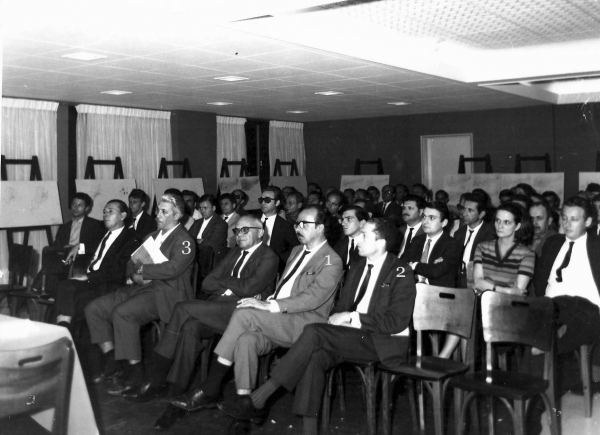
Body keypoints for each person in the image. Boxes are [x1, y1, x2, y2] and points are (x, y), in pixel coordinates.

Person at [217, 218, 417, 434]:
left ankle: (261, 396)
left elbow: (396, 321)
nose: (357, 239)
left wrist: (352, 317)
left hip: (381, 341)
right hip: (350, 336)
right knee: (314, 356)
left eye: (364, 236)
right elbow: (340, 306)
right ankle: (308, 430)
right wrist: (337, 316)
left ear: (381, 242)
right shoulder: (358, 266)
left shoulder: (401, 271)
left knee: (313, 331)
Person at [168, 205, 344, 413]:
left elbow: (312, 299)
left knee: (243, 314)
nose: (298, 227)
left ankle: (210, 388)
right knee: (246, 339)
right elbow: (284, 288)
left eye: (304, 224)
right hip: (280, 318)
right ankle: (245, 405)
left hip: (304, 323)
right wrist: (269, 300)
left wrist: (269, 305)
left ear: (321, 227)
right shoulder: (297, 251)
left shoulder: (332, 260)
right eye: (297, 223)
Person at [120, 215, 279, 430]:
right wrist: (232, 285)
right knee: (189, 328)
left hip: (243, 313)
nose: (239, 235)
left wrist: (225, 283)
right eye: (237, 231)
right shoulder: (234, 253)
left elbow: (249, 288)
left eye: (245, 230)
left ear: (260, 232)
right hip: (218, 310)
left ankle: (157, 377)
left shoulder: (268, 256)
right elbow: (207, 283)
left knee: (182, 308)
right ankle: (175, 400)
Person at [84, 193, 196, 390]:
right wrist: (135, 275)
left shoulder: (184, 240)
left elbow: (173, 268)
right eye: (158, 211)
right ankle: (114, 363)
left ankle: (135, 373)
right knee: (94, 309)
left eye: (164, 212)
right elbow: (131, 261)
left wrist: (143, 270)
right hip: (138, 287)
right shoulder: (151, 236)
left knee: (123, 314)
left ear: (177, 215)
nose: (158, 215)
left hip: (164, 293)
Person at [54, 200, 140, 329]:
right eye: (104, 212)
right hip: (92, 282)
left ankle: (63, 330)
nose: (105, 214)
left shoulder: (131, 239)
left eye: (110, 211)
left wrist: (88, 277)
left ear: (123, 216)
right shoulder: (102, 232)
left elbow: (120, 270)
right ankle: (63, 330)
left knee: (69, 293)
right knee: (64, 286)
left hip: (108, 284)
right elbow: (93, 246)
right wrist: (79, 246)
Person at [533, 196, 600, 354]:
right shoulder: (553, 243)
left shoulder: (597, 246)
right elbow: (540, 279)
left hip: (587, 310)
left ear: (588, 222)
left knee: (586, 316)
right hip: (553, 306)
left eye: (574, 219)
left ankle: (551, 343)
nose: (567, 224)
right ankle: (552, 342)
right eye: (564, 218)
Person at [32, 192, 105, 292]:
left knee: (55, 266)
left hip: (83, 257)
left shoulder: (95, 225)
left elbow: (97, 246)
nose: (76, 208)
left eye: (80, 205)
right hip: (64, 255)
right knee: (51, 262)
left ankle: (37, 288)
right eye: (74, 204)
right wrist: (65, 249)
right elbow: (57, 245)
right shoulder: (64, 226)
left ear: (87, 208)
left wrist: (77, 247)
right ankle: (41, 290)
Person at [473, 203, 535, 296]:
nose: (500, 226)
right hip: (483, 300)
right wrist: (506, 290)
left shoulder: (527, 254)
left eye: (506, 222)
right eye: (497, 221)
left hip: (509, 303)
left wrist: (487, 286)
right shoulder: (482, 247)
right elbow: (478, 282)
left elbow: (518, 291)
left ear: (517, 226)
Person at [453, 193, 495, 288]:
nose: (464, 214)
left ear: (481, 214)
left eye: (470, 210)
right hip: (459, 280)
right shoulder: (459, 233)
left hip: (479, 281)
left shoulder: (490, 234)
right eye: (464, 209)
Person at [258, 187, 300, 273]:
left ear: (277, 203)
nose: (263, 202)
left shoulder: (286, 226)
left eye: (267, 200)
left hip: (274, 268)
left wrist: (279, 262)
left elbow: (295, 248)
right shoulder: (252, 220)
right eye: (261, 200)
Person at [189, 194, 228, 278]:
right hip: (193, 255)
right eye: (200, 208)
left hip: (209, 261)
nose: (202, 211)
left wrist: (194, 242)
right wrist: (198, 241)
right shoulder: (197, 222)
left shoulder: (221, 224)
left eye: (205, 208)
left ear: (213, 208)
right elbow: (187, 238)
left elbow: (210, 244)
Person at [334, 206, 369, 270]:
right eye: (342, 219)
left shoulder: (371, 247)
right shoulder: (338, 245)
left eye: (348, 219)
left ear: (362, 223)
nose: (343, 223)